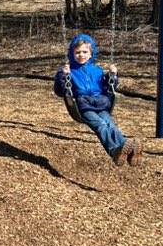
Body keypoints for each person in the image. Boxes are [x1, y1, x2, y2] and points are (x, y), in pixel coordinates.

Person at [54, 33, 142, 166]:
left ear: (91, 54)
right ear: (72, 54)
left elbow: (108, 86)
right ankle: (114, 151)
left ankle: (127, 151)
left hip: (101, 104)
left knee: (110, 125)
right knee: (101, 125)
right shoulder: (69, 71)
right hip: (84, 107)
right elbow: (60, 91)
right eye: (77, 52)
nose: (81, 55)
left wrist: (112, 76)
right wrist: (63, 76)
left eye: (85, 52)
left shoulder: (97, 70)